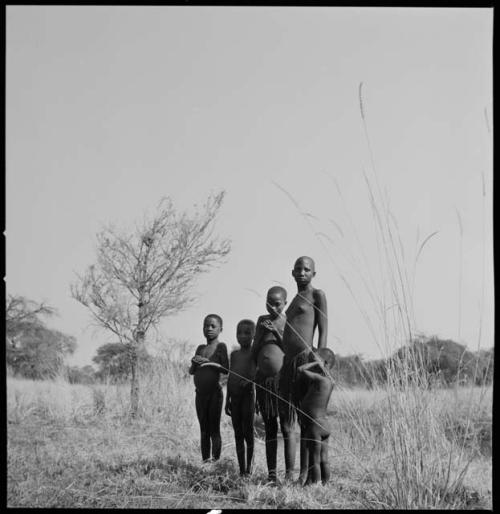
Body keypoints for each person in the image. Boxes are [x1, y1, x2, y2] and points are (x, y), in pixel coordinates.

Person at [279, 256, 328, 482]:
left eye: (307, 269)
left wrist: (319, 361)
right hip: (287, 363)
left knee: (307, 421)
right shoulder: (293, 300)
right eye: (298, 269)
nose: (302, 272)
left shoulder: (317, 295)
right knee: (287, 421)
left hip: (305, 361)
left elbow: (323, 331)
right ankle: (289, 474)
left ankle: (305, 474)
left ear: (314, 274)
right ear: (292, 273)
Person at [251, 286, 287, 483]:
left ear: (285, 304)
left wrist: (277, 332)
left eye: (277, 303)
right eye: (269, 302)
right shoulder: (261, 321)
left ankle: (289, 474)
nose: (272, 307)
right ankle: (272, 473)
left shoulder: (286, 321)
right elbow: (255, 350)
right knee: (269, 427)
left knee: (287, 427)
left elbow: (289, 350)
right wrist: (263, 332)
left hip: (282, 382)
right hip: (264, 381)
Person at [189, 314, 229, 462]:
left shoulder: (220, 346)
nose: (209, 329)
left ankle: (215, 461)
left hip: (214, 394)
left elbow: (226, 369)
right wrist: (194, 362)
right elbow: (191, 371)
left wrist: (208, 362)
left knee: (214, 430)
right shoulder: (200, 348)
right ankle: (205, 461)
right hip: (200, 394)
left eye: (213, 326)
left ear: (221, 329)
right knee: (203, 430)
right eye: (206, 326)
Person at [296, 347, 335, 485]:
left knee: (314, 459)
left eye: (314, 359)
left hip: (316, 425)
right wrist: (319, 362)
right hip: (324, 424)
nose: (312, 362)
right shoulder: (330, 382)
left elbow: (300, 369)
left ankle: (315, 485)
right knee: (324, 458)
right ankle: (326, 484)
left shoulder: (320, 379)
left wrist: (315, 363)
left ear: (324, 363)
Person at [225, 319, 257, 476]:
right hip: (235, 398)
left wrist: (250, 381)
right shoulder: (234, 355)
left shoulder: (255, 353)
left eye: (247, 332)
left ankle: (249, 470)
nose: (242, 336)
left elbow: (258, 374)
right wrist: (227, 400)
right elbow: (231, 376)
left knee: (248, 434)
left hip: (248, 397)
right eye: (239, 332)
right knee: (238, 434)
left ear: (254, 335)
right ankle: (241, 469)